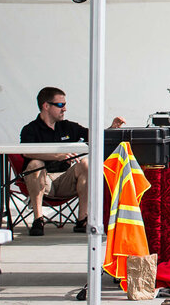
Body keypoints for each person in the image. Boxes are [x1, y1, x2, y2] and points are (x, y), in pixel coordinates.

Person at [19, 87, 126, 236]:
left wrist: (111, 128)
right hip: (41, 181)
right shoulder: (30, 129)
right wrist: (57, 155)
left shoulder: (68, 126)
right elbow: (27, 152)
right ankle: (38, 219)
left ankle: (82, 219)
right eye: (61, 105)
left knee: (86, 163)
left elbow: (94, 137)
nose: (65, 109)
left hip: (64, 180)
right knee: (35, 164)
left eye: (65, 104)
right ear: (46, 106)